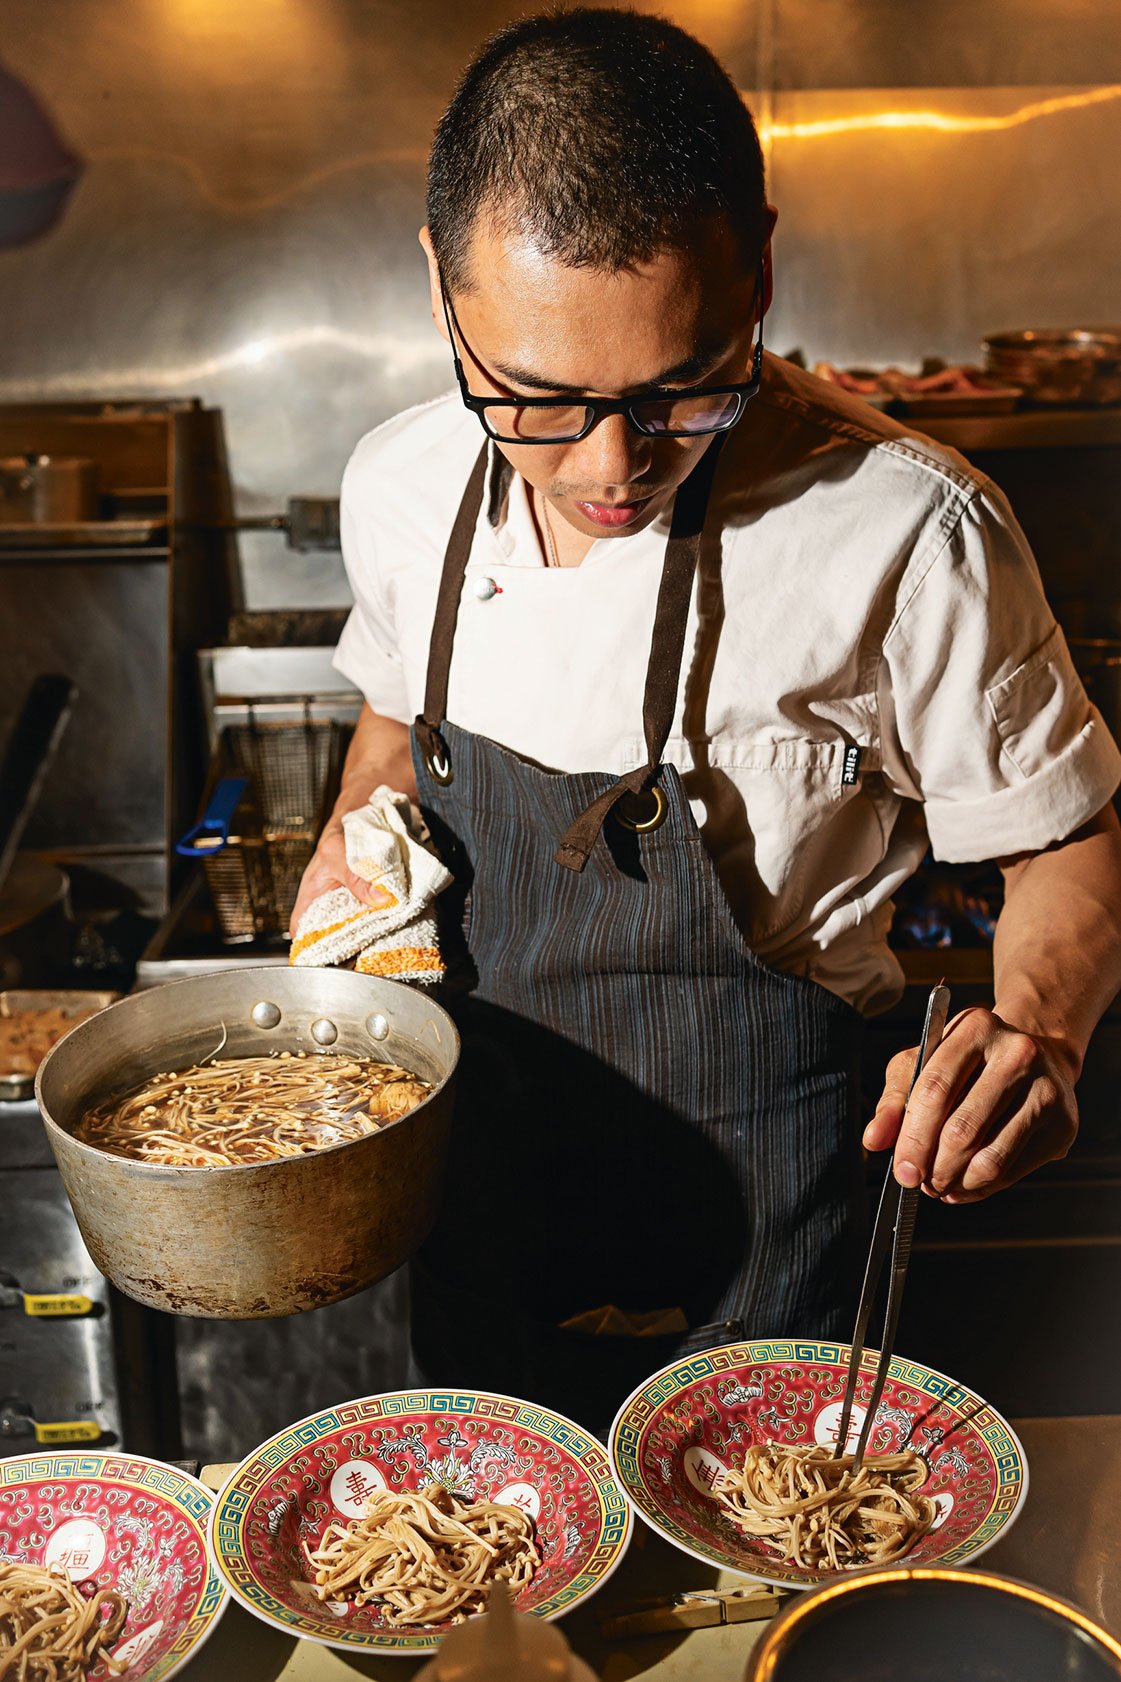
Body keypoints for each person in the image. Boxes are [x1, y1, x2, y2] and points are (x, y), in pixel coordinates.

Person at [291, 9, 1121, 1425]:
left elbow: (1068, 844)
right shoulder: (398, 484)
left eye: (685, 386)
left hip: (778, 1232)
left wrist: (1034, 1033)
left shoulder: (907, 530)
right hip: (477, 1202)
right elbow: (390, 732)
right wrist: (346, 857)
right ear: (441, 287)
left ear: (760, 272)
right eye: (535, 399)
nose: (614, 466)